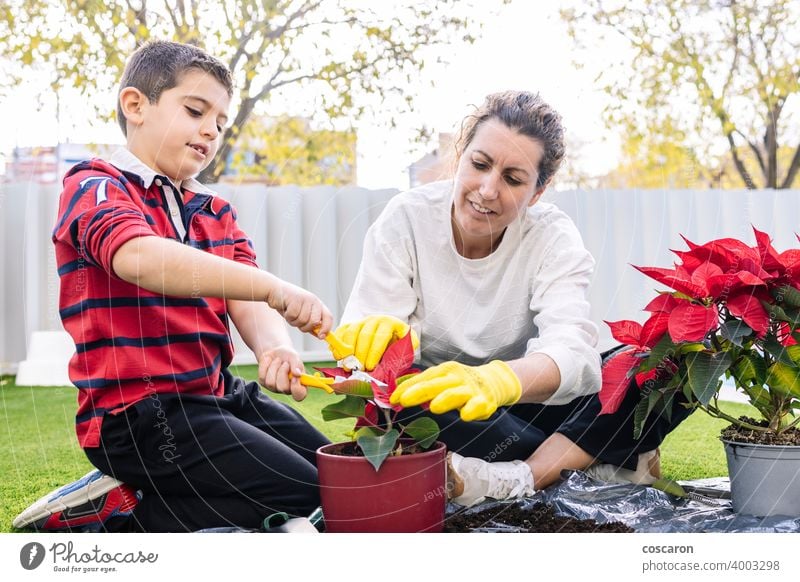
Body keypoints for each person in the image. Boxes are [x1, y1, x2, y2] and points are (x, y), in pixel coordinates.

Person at [13, 40, 333, 532]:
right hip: (139, 413)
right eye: (195, 110)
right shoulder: (96, 185)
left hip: (219, 394)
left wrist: (275, 346)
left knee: (343, 475)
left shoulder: (215, 212)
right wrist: (273, 286)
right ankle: (113, 522)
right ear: (136, 105)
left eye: (221, 123)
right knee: (306, 493)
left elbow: (243, 299)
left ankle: (158, 495)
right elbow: (139, 257)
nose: (211, 130)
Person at [334, 91, 681, 508]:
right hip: (452, 415)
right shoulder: (406, 219)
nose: (487, 189)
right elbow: (361, 365)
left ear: (538, 191)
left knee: (665, 360)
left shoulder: (551, 236)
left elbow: (574, 353)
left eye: (513, 179)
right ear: (460, 156)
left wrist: (497, 381)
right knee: (410, 398)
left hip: (528, 407)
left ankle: (517, 478)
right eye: (479, 165)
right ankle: (598, 460)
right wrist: (371, 344)